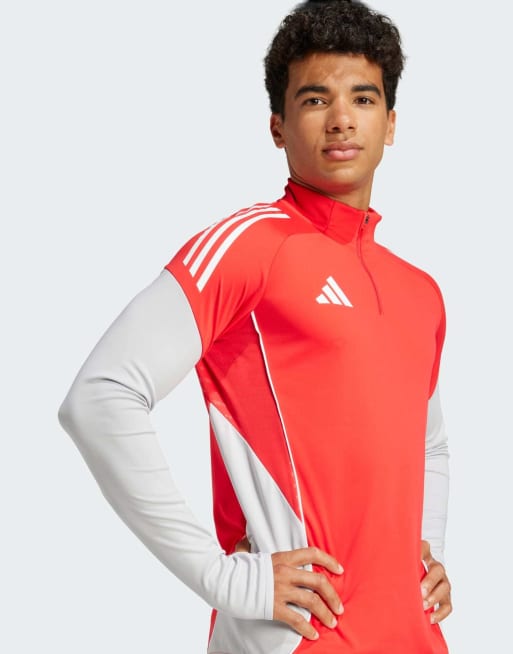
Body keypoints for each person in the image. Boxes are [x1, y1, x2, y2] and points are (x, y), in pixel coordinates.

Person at [58, 0, 453, 652]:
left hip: (413, 637)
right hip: (294, 637)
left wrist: (426, 548)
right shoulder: (249, 247)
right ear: (277, 126)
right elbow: (99, 396)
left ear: (389, 124)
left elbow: (429, 445)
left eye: (363, 98)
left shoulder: (419, 292)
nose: (341, 118)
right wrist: (220, 578)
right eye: (314, 99)